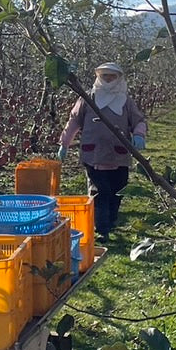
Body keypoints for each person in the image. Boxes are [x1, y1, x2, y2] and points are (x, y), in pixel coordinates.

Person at [57, 62, 147, 240]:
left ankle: (111, 220)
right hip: (94, 154)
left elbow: (139, 120)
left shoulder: (125, 101)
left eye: (112, 76)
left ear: (119, 78)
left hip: (118, 154)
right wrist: (64, 143)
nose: (108, 79)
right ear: (99, 77)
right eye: (105, 75)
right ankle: (102, 228)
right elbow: (74, 121)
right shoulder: (88, 98)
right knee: (99, 190)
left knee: (117, 189)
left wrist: (139, 134)